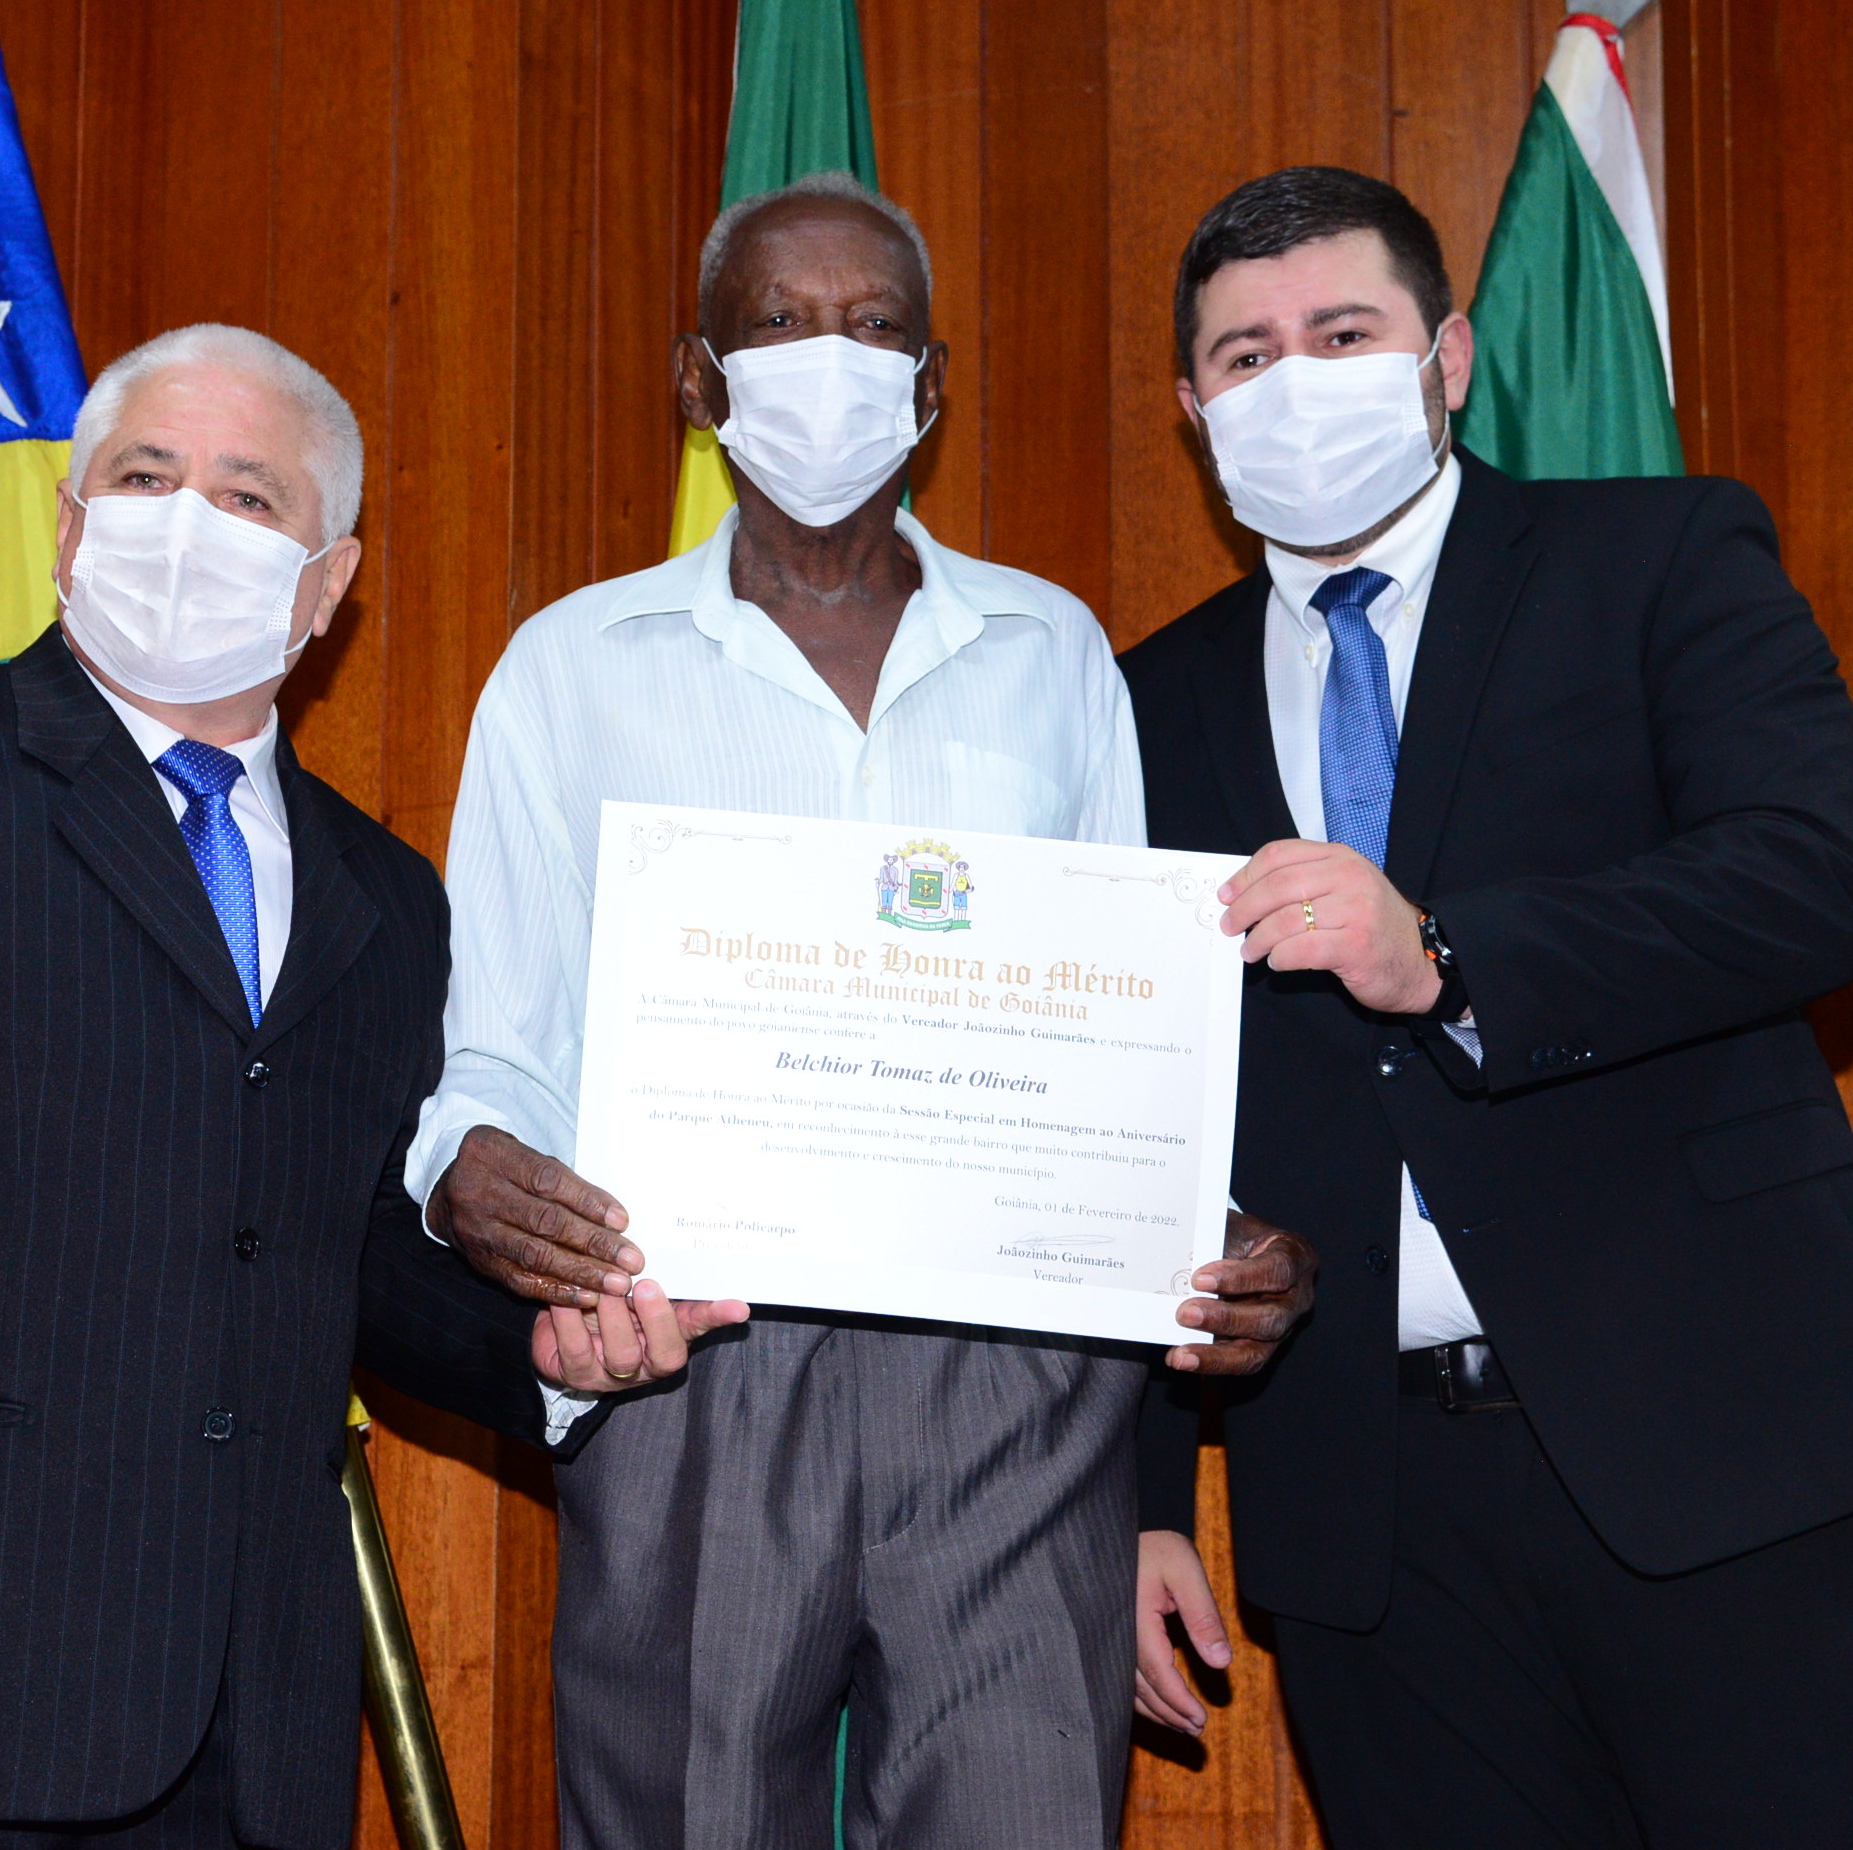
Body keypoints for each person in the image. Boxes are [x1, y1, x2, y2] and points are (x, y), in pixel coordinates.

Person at [0, 325, 720, 1846]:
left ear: (327, 585)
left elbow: (342, 1253)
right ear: (70, 529)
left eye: (249, 496)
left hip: (241, 1730)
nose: (188, 522)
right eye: (144, 477)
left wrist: (549, 1345)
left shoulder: (387, 899)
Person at [406, 171, 1316, 1849]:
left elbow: (1126, 1043)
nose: (828, 356)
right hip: (696, 1364)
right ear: (700, 378)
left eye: (874, 325)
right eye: (779, 322)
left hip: (1014, 1384)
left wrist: (1194, 1219)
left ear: (931, 384)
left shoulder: (1052, 652)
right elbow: (500, 1046)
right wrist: (467, 1170)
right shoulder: (569, 664)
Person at [1121, 167, 1853, 1848]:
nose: (1294, 382)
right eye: (1246, 355)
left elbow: (1806, 882)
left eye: (1342, 334)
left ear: (1447, 357)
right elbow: (1137, 1106)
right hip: (1367, 1516)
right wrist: (1143, 1498)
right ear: (1193, 409)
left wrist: (1449, 956)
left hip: (1724, 1432)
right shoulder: (1144, 698)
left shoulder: (1657, 557)